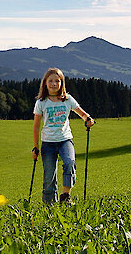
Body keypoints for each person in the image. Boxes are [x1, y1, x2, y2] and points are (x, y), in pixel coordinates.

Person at [32, 68, 95, 204]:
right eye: (50, 81)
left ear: (62, 83)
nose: (54, 84)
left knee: (70, 162)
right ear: (45, 83)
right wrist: (36, 147)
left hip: (65, 140)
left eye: (57, 81)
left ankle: (65, 197)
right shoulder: (41, 103)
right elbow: (36, 126)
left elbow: (82, 114)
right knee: (49, 175)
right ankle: (49, 205)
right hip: (48, 143)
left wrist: (88, 119)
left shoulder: (67, 99)